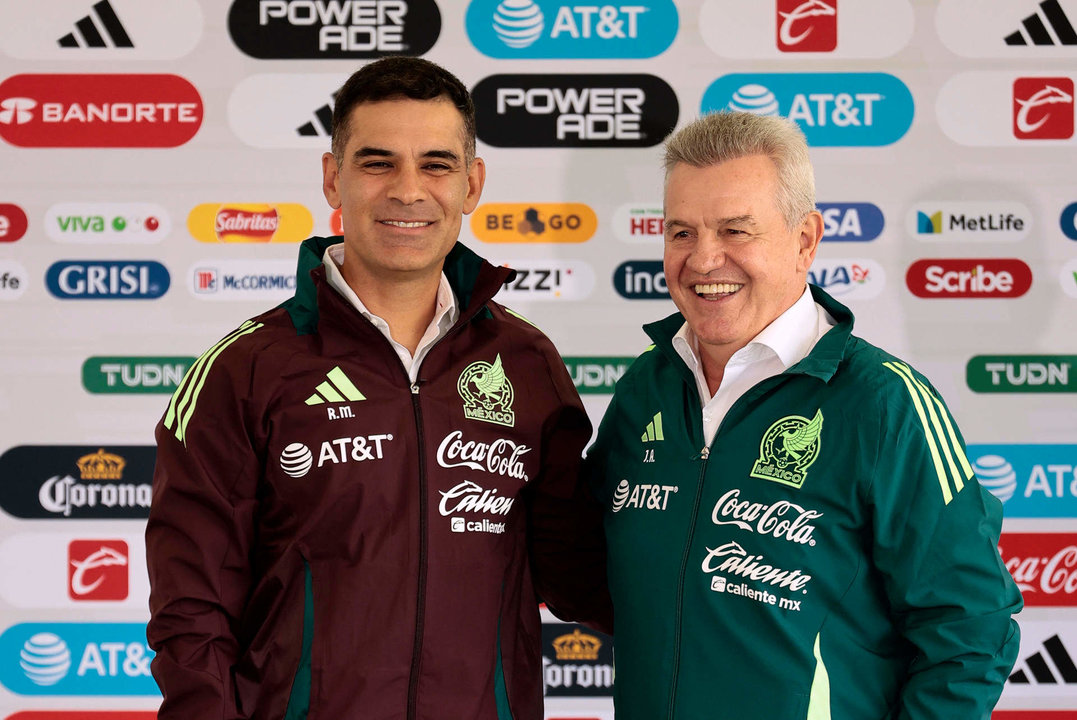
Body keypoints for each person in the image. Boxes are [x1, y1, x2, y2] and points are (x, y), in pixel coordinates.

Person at [146, 56, 608, 720]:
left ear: (472, 184)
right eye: (377, 162)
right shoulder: (245, 368)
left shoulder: (527, 362)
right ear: (334, 179)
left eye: (436, 165)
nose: (408, 190)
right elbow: (191, 611)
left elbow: (580, 572)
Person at [584, 111, 1022, 719]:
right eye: (681, 232)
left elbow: (971, 629)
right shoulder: (644, 390)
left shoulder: (884, 403)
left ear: (805, 239)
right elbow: (590, 568)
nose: (704, 260)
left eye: (737, 231)